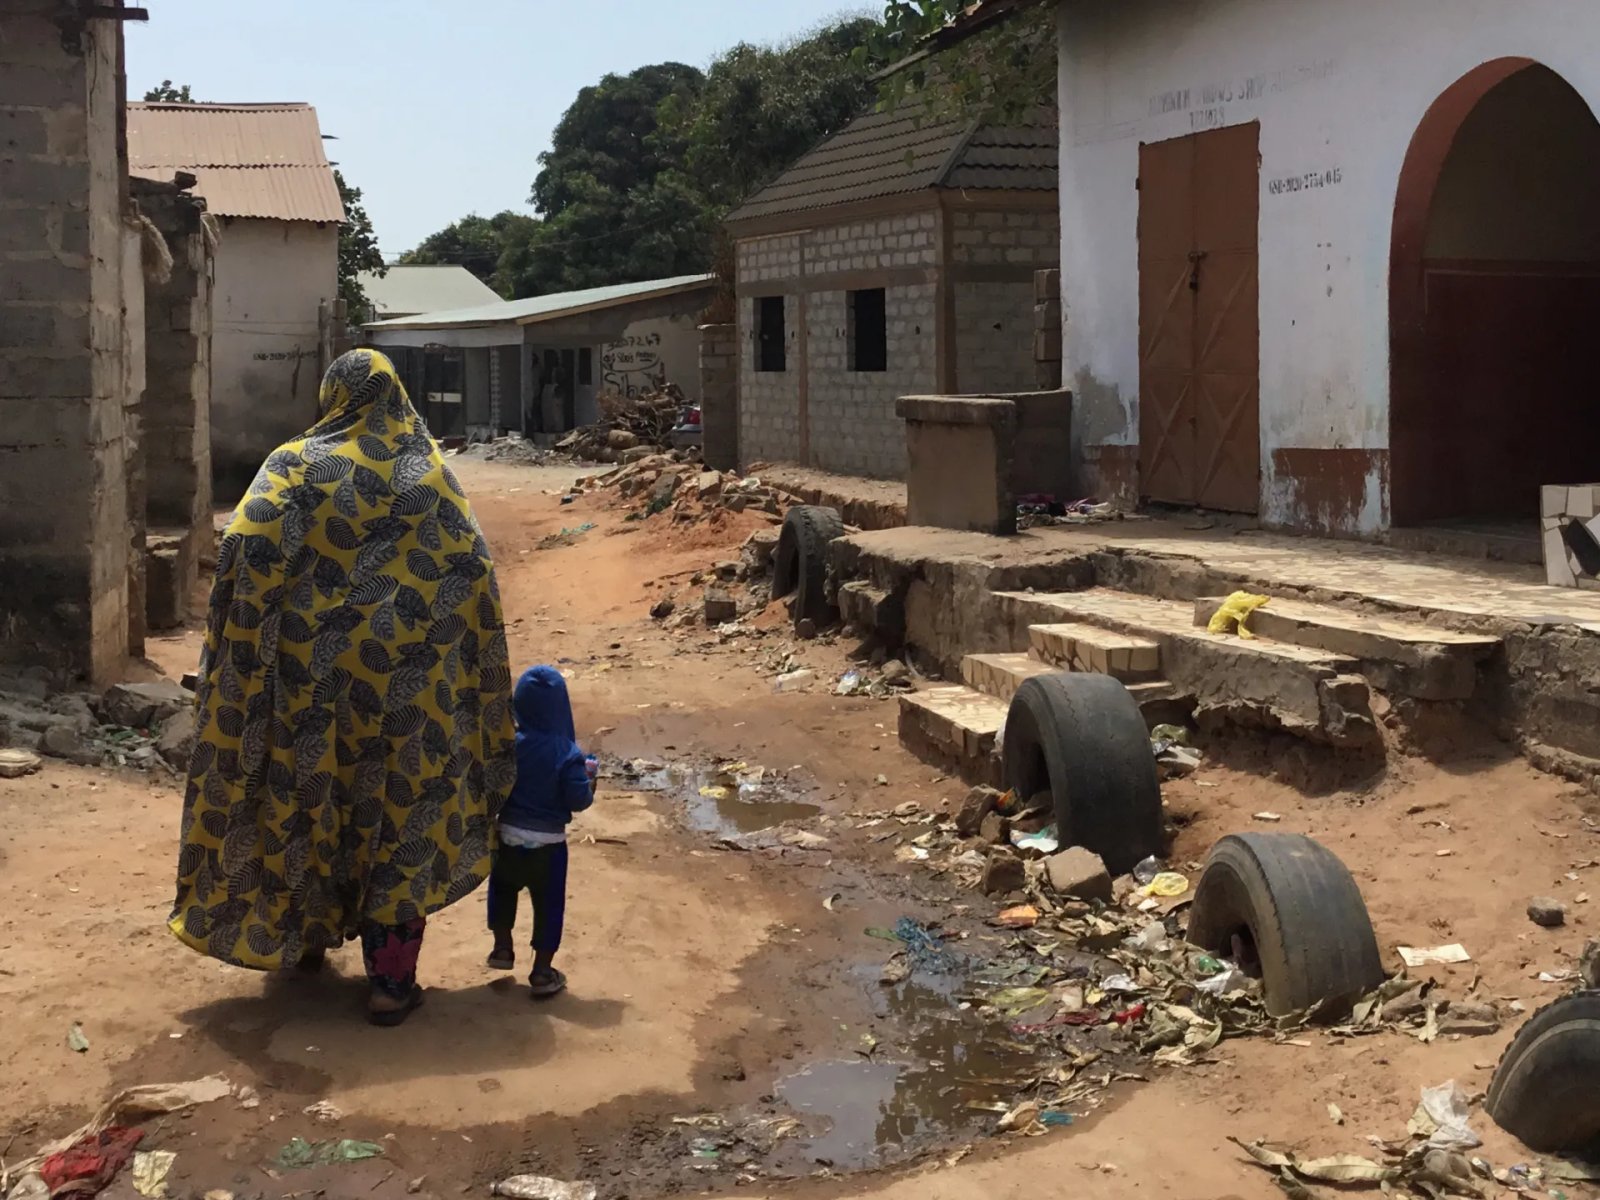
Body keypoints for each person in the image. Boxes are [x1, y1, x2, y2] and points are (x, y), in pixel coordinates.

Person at [168, 348, 516, 1026]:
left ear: (333, 396)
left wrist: (250, 651)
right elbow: (473, 571)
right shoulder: (430, 474)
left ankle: (299, 939)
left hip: (308, 689)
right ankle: (390, 984)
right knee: (400, 818)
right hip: (410, 698)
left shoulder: (296, 465)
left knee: (305, 803)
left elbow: (246, 554)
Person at [486, 665, 595, 998]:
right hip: (549, 846)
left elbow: (495, 785)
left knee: (502, 891)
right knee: (549, 906)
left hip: (507, 836)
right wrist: (591, 781)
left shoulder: (510, 745)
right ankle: (543, 972)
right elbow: (578, 801)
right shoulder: (568, 754)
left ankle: (502, 949)